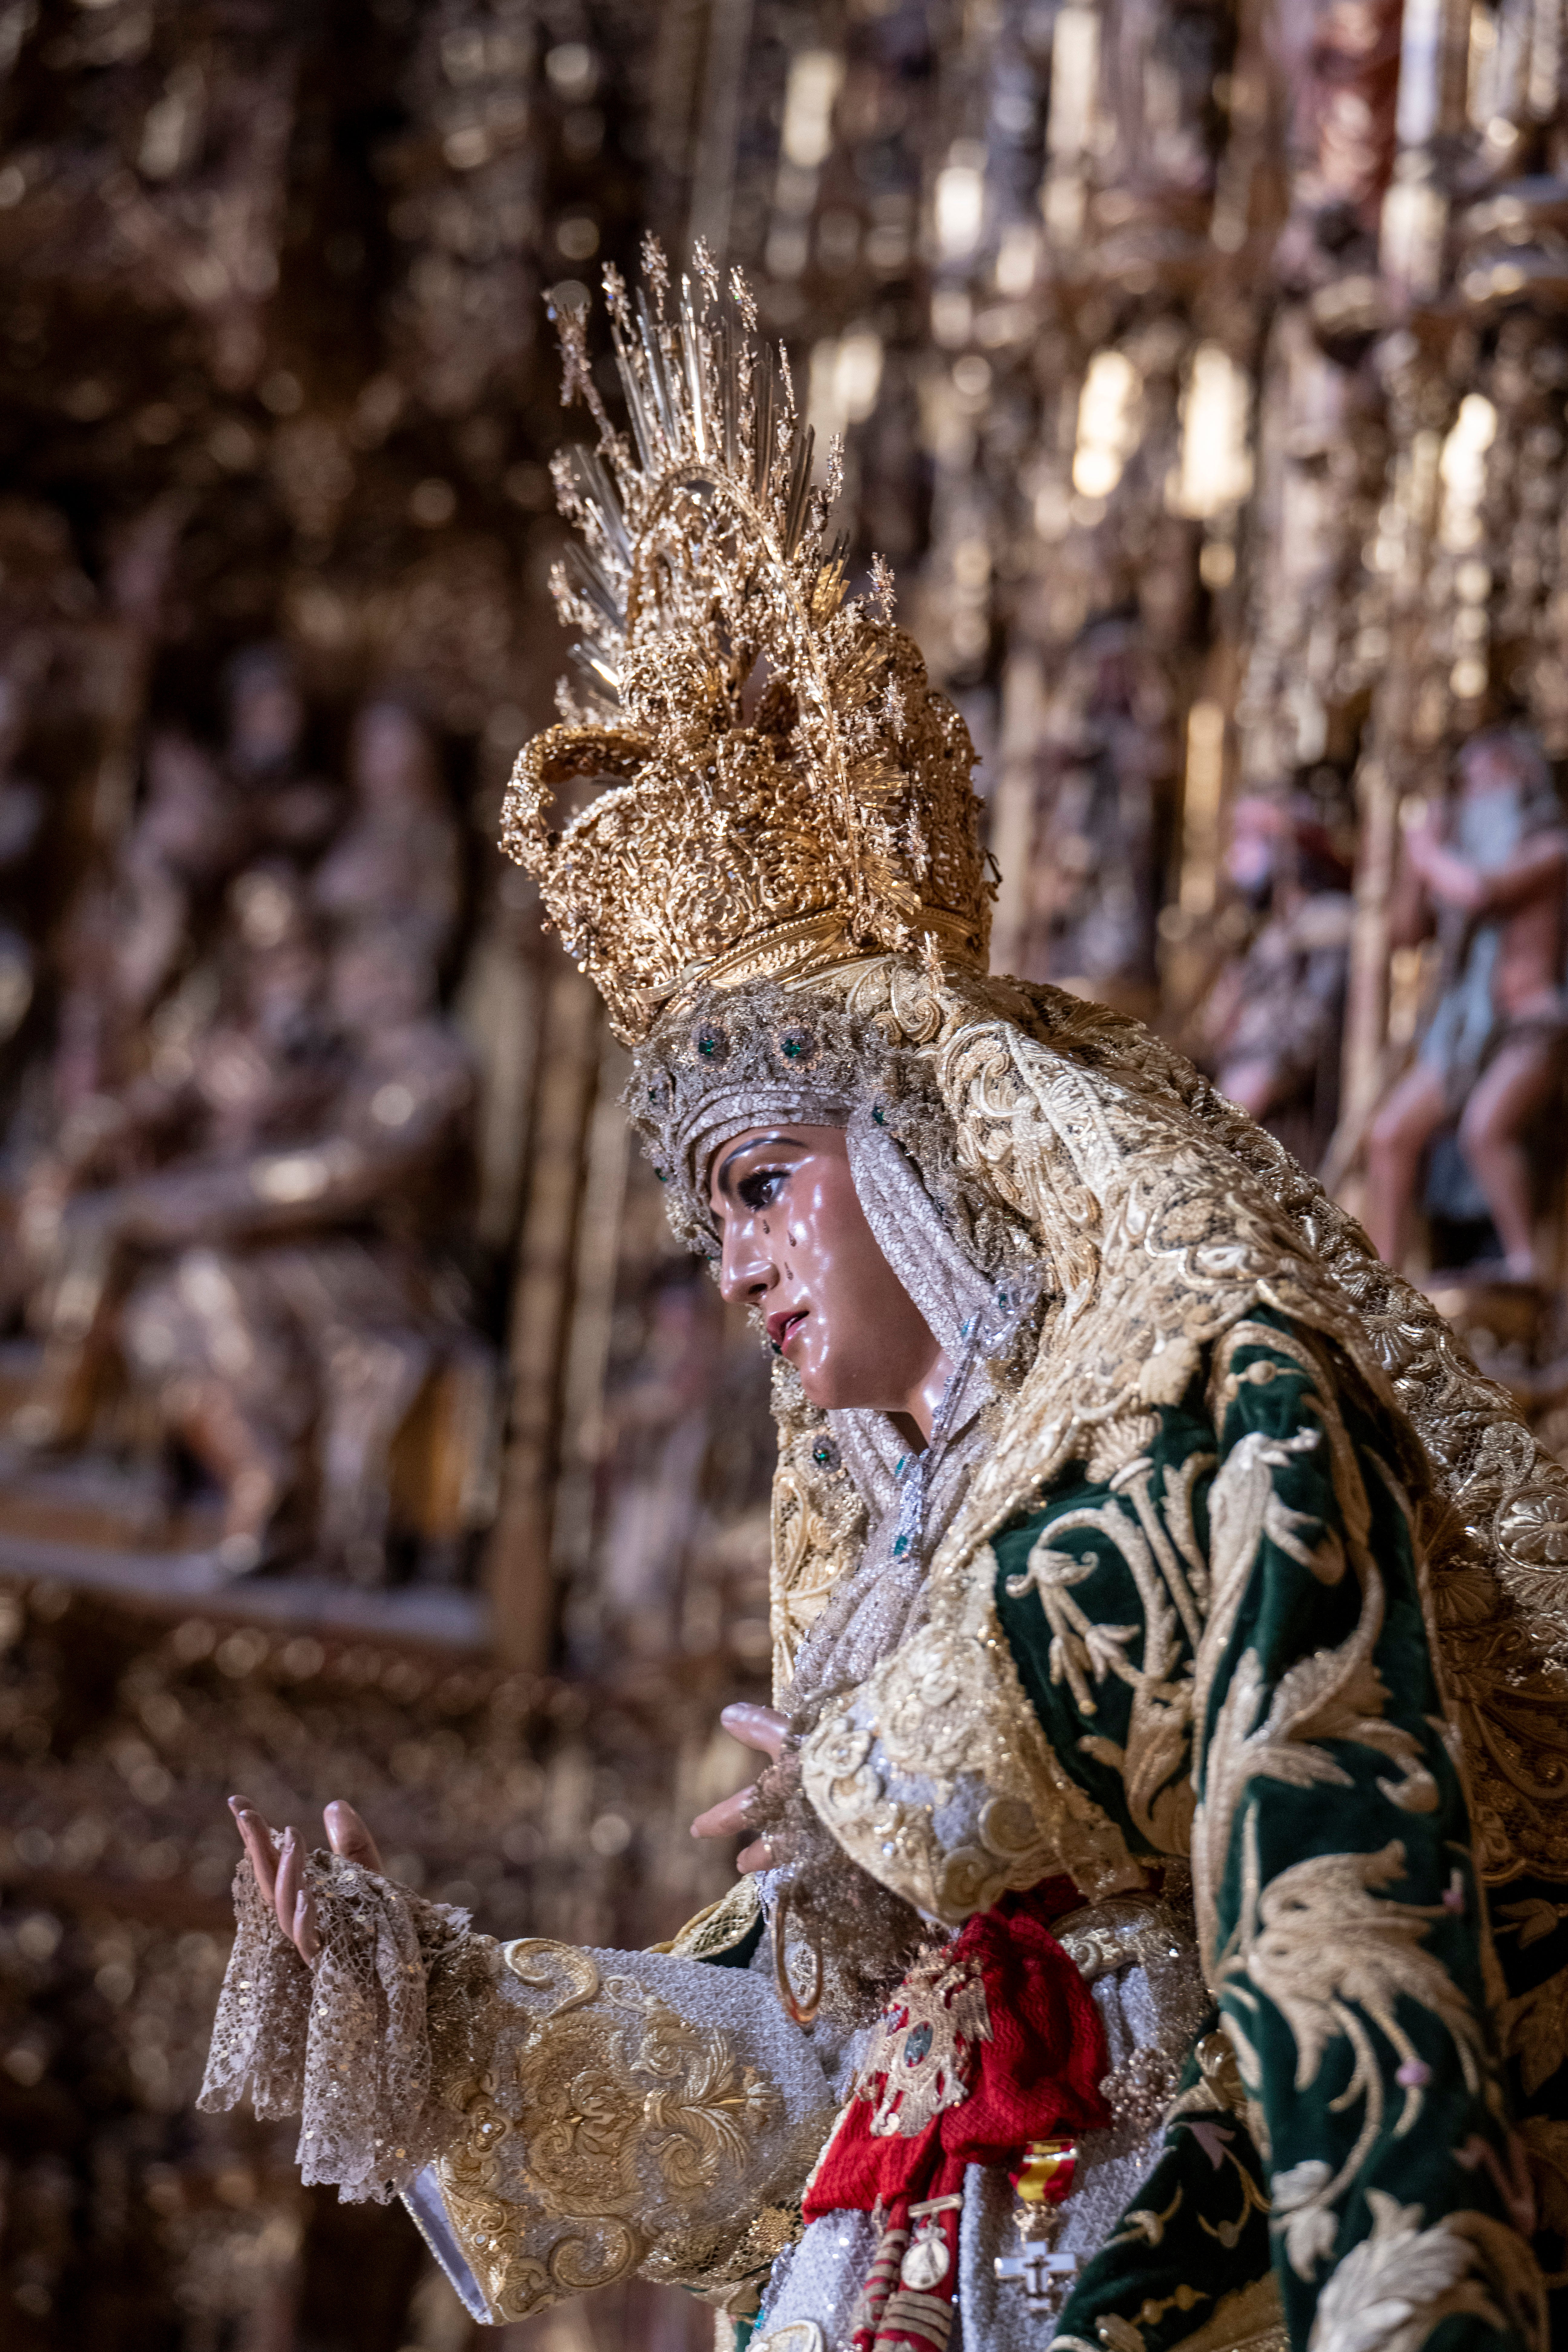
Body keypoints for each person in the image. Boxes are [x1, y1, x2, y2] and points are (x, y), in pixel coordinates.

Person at [201, 248, 1568, 2352]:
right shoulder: (888, 1590)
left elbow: (1345, 1942)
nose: (741, 1265)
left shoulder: (1211, 1423)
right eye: (708, 1219)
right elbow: (794, 2084)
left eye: (765, 1188)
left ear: (929, 1168)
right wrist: (436, 2006)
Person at [1365, 728, 1568, 1280]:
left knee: (1484, 1129)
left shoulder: (1548, 846)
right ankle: (1384, 1279)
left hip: (1526, 1021)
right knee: (1388, 1134)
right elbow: (1405, 932)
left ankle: (1526, 1267)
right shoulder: (1456, 854)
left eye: (1481, 779)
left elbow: (1480, 892)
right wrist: (1416, 861)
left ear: (1518, 779)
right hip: (1462, 1029)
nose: (1470, 794)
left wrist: (1428, 852)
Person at [1200, 794, 1353, 1170]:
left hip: (1283, 1072)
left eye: (1253, 838)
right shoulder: (1267, 929)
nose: (1240, 852)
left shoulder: (1330, 922)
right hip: (1245, 1060)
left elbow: (1313, 1019)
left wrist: (1268, 1071)